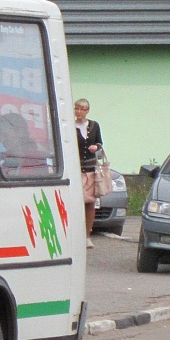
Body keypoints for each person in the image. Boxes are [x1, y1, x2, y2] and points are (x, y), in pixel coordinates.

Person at [75, 98, 103, 248]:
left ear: (87, 111)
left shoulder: (94, 125)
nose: (79, 112)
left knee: (90, 203)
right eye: (77, 108)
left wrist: (95, 147)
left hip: (90, 169)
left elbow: (100, 143)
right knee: (76, 202)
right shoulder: (70, 126)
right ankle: (74, 235)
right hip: (76, 169)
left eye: (82, 109)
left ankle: (87, 236)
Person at [0, 112, 50, 177]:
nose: (1, 140)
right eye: (0, 136)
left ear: (20, 132)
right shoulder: (2, 160)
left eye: (5, 135)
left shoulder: (38, 159)